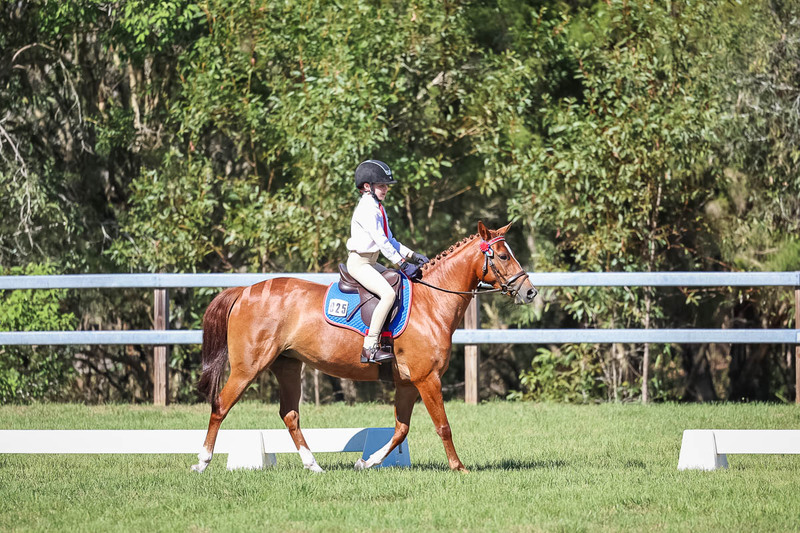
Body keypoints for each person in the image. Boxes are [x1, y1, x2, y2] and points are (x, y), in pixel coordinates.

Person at [346, 159, 429, 364]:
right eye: (381, 185)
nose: (385, 189)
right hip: (359, 264)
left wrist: (412, 255)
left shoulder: (378, 207)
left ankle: (388, 337)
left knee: (400, 282)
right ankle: (369, 347)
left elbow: (390, 239)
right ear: (368, 186)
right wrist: (402, 263)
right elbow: (381, 242)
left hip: (370, 262)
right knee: (388, 294)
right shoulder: (367, 208)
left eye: (386, 186)